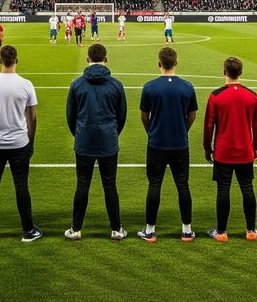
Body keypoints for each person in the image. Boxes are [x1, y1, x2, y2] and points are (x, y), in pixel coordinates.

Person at [0, 45, 42, 242]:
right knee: (21, 185)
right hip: (19, 143)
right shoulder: (26, 84)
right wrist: (30, 143)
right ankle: (28, 230)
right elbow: (32, 118)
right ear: (17, 60)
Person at [64, 43, 128, 241]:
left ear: (87, 59)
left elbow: (70, 116)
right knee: (110, 185)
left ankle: (75, 229)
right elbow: (122, 115)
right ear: (106, 59)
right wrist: (112, 133)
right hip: (108, 141)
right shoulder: (116, 85)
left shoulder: (77, 84)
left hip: (84, 141)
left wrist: (80, 133)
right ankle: (116, 230)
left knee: (82, 184)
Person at [137, 47, 198, 243]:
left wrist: (152, 132)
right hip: (180, 144)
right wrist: (183, 130)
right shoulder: (187, 87)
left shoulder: (149, 87)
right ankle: (187, 231)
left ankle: (150, 230)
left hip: (157, 144)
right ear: (176, 63)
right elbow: (192, 114)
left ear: (159, 63)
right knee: (183, 185)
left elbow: (144, 116)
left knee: (154, 184)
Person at [203, 56, 257, 242]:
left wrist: (207, 147)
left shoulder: (216, 96)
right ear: (241, 73)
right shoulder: (252, 96)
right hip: (245, 151)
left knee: (223, 189)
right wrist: (256, 147)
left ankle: (221, 233)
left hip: (223, 152)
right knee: (247, 188)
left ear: (224, 72)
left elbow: (208, 125)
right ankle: (251, 231)